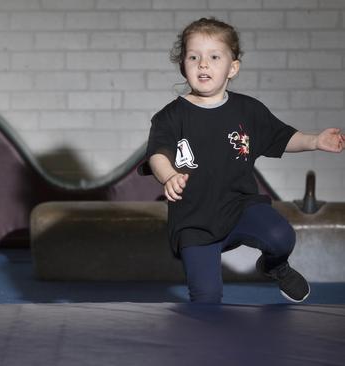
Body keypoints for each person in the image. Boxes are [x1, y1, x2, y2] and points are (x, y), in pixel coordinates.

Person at [146, 17, 344, 303]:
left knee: (281, 236)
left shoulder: (247, 110)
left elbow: (281, 137)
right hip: (195, 222)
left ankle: (274, 266)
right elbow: (158, 153)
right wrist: (168, 176)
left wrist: (314, 140)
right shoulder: (170, 116)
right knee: (207, 299)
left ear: (232, 68)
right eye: (193, 57)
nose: (203, 64)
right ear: (183, 65)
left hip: (240, 207)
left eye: (214, 56)